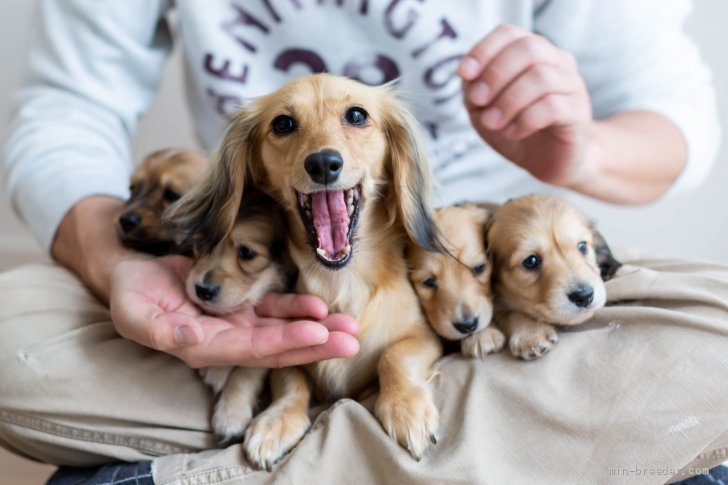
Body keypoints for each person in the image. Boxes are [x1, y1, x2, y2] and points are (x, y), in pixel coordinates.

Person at [1, 1, 726, 484]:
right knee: (9, 342)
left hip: (486, 269)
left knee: (716, 327)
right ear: (252, 159)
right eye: (287, 129)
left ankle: (230, 466)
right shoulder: (238, 218)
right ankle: (471, 445)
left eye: (354, 120)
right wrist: (117, 272)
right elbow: (64, 107)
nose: (324, 151)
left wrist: (581, 152)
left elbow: (681, 121)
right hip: (250, 306)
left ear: (393, 153)